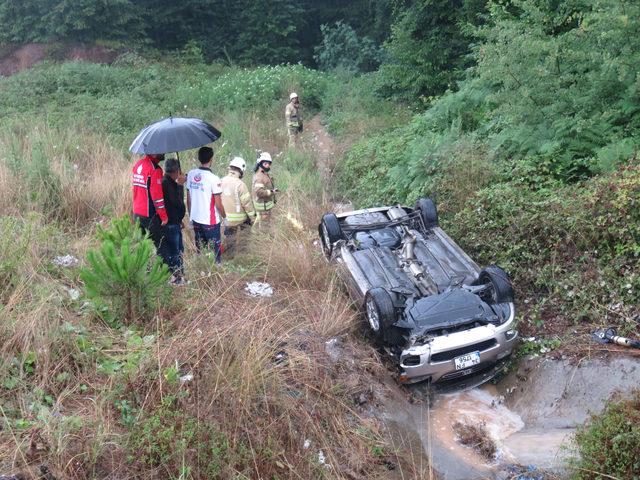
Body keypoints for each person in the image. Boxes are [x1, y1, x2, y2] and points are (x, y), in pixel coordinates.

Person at [186, 147, 226, 263]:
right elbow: (218, 204)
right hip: (210, 222)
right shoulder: (214, 179)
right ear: (211, 159)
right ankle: (215, 273)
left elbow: (189, 200)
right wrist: (225, 217)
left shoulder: (191, 174)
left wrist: (191, 217)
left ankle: (201, 270)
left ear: (199, 158)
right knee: (215, 251)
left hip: (196, 220)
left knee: (201, 250)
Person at [132, 153, 167, 251]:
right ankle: (165, 266)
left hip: (136, 213)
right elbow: (157, 197)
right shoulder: (155, 169)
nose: (164, 152)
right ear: (154, 153)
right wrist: (164, 217)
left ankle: (141, 266)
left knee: (140, 248)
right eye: (161, 150)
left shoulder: (138, 164)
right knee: (162, 245)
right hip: (149, 215)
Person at [160, 158, 187, 285]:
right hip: (171, 224)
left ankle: (175, 275)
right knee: (175, 252)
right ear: (176, 171)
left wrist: (179, 220)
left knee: (177, 250)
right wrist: (180, 186)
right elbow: (178, 204)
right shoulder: (167, 183)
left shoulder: (167, 182)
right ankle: (177, 278)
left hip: (174, 222)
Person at [221, 156, 255, 252]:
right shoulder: (240, 184)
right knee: (247, 226)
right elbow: (247, 204)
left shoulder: (220, 181)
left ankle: (230, 255)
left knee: (230, 237)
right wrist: (253, 218)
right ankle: (243, 250)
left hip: (225, 218)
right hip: (239, 218)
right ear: (241, 170)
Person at [252, 152, 277, 221]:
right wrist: (272, 192)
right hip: (263, 208)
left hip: (266, 207)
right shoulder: (259, 177)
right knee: (264, 227)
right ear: (260, 164)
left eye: (269, 164)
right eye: (265, 163)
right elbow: (259, 192)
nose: (268, 166)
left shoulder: (264, 174)